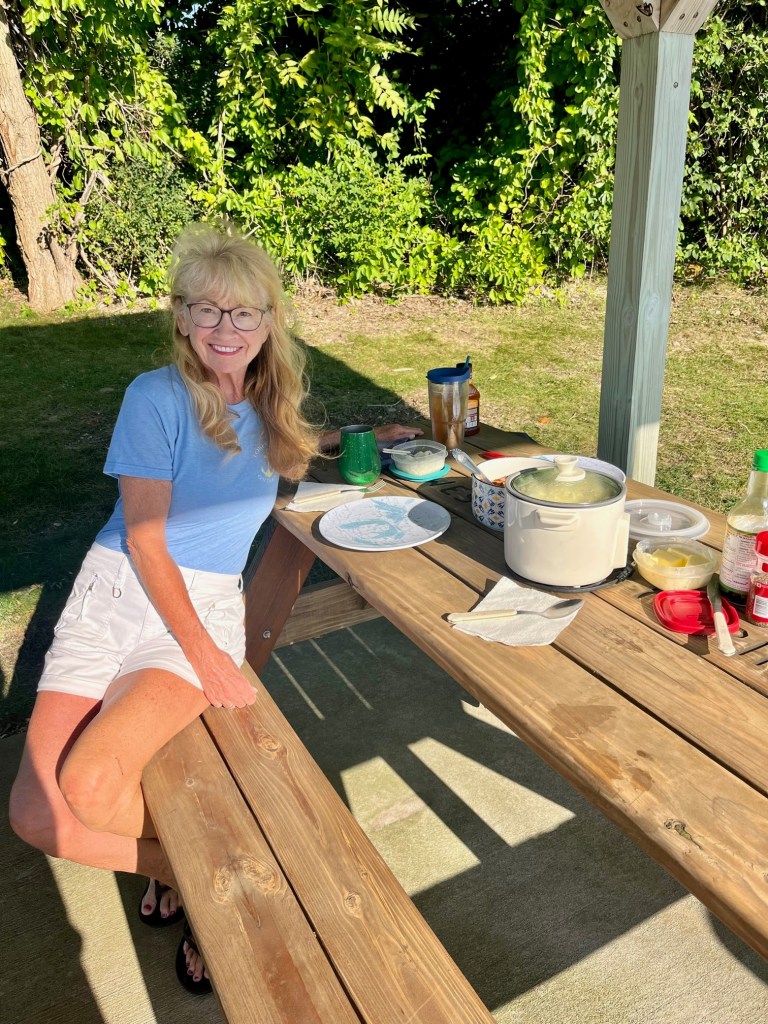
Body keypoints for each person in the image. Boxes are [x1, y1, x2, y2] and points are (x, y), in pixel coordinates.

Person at [9, 220, 422, 995]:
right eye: (206, 309)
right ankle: (196, 872)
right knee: (36, 816)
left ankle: (191, 882)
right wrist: (209, 659)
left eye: (243, 312)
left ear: (268, 322)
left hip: (198, 600)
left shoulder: (269, 402)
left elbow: (288, 448)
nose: (224, 329)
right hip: (116, 593)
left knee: (92, 788)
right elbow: (145, 539)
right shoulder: (155, 397)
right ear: (181, 316)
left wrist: (362, 436)